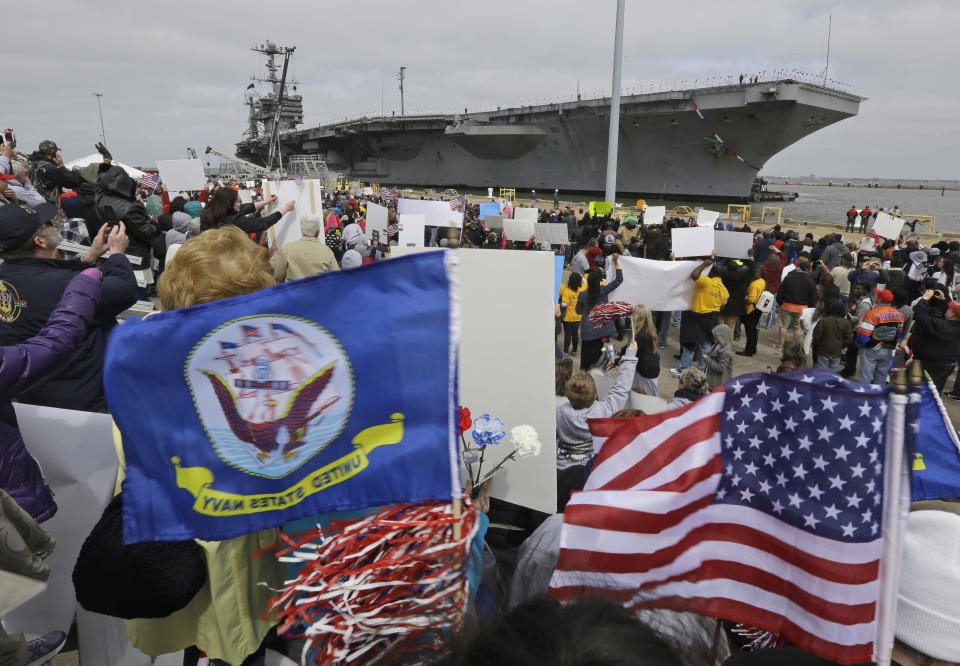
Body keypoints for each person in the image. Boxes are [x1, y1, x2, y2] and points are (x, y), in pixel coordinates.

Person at [128, 225, 285, 666]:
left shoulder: (142, 362)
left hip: (167, 539)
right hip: (231, 549)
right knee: (233, 643)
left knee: (197, 632)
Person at [0, 203, 136, 412]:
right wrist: (117, 255)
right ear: (41, 241)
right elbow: (123, 290)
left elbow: (48, 283)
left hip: (35, 397)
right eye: (47, 225)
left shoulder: (9, 277)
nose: (54, 226)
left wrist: (91, 256)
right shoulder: (60, 284)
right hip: (86, 402)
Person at [556, 341, 638, 511]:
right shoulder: (604, 410)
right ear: (595, 396)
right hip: (589, 473)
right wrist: (630, 356)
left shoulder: (558, 413)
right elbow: (621, 389)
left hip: (560, 468)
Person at [671, 253, 728, 377]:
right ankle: (701, 371)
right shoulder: (724, 290)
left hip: (698, 316)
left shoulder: (707, 282)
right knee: (707, 345)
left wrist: (703, 265)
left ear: (711, 273)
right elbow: (723, 306)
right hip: (712, 319)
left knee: (690, 344)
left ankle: (682, 370)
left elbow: (694, 275)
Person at [576, 259, 624, 371]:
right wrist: (617, 263)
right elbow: (619, 279)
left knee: (586, 354)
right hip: (603, 332)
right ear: (599, 281)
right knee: (600, 350)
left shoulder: (583, 295)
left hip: (588, 332)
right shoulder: (604, 290)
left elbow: (578, 311)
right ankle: (597, 371)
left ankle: (586, 372)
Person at [911, 288, 960, 392]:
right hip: (948, 364)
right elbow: (952, 313)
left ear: (952, 315)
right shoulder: (954, 325)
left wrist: (924, 299)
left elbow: (920, 317)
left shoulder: (941, 325)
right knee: (935, 389)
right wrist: (943, 300)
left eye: (949, 309)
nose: (947, 309)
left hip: (931, 363)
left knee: (919, 389)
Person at [269, 213, 339, 282]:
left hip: (295, 292)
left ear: (302, 231)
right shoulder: (327, 251)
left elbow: (276, 275)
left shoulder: (287, 249)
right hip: (319, 292)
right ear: (317, 232)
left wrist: (275, 257)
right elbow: (336, 276)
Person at [855, 289, 904, 385]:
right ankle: (877, 397)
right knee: (881, 376)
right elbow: (899, 334)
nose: (875, 297)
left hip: (871, 348)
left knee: (866, 375)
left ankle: (863, 397)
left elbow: (862, 335)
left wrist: (861, 344)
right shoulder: (899, 315)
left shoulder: (872, 313)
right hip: (888, 349)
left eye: (877, 296)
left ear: (879, 299)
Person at [199, 187, 294, 234]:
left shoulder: (208, 211)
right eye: (238, 201)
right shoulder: (235, 220)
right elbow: (262, 223)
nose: (240, 204)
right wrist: (285, 209)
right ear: (229, 204)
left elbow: (243, 208)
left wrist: (265, 202)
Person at [25, 140, 82, 215]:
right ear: (53, 153)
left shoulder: (30, 163)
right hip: (51, 207)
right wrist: (61, 166)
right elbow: (72, 182)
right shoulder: (49, 168)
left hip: (34, 204)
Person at [775, 260, 818, 351]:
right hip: (802, 309)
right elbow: (813, 298)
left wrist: (779, 302)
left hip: (786, 305)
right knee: (797, 328)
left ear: (799, 268)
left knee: (783, 326)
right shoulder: (811, 282)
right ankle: (796, 347)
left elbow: (781, 291)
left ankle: (781, 345)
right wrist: (809, 308)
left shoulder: (789, 277)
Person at [812, 300, 853, 372]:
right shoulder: (846, 323)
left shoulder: (823, 321)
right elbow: (849, 339)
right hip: (837, 352)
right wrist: (841, 346)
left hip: (822, 351)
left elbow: (816, 336)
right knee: (833, 373)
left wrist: (816, 345)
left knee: (820, 372)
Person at [631, 305, 661, 397]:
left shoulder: (641, 334)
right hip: (652, 366)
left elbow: (633, 350)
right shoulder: (649, 329)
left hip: (645, 369)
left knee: (645, 395)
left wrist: (616, 360)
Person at [737, 265, 765, 357]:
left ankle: (748, 351)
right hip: (758, 309)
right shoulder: (762, 282)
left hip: (751, 310)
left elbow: (751, 300)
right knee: (753, 331)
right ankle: (753, 349)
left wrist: (745, 298)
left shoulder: (753, 284)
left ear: (757, 274)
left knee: (750, 332)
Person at [559, 273, 586, 355]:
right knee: (575, 334)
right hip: (578, 316)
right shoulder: (582, 289)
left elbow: (564, 304)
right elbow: (585, 283)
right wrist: (582, 277)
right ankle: (574, 351)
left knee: (567, 335)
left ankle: (566, 351)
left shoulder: (567, 291)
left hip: (568, 317)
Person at [703, 324, 733, 390]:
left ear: (721, 336)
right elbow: (715, 353)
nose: (713, 337)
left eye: (716, 336)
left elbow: (720, 368)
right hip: (712, 378)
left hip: (717, 383)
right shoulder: (719, 343)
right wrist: (708, 353)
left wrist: (707, 359)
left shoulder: (726, 352)